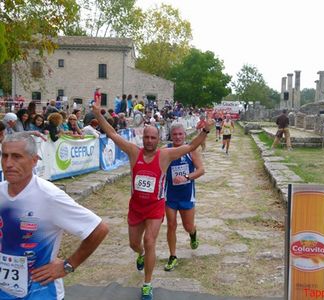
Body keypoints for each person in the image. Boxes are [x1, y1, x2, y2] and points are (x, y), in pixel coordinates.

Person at [92, 101, 212, 300]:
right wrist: (99, 115)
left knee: (150, 242)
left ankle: (147, 284)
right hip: (136, 208)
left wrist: (206, 131)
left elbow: (191, 145)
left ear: (158, 139)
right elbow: (113, 134)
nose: (149, 140)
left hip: (155, 208)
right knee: (134, 244)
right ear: (142, 137)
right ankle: (139, 254)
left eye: (153, 137)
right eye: (146, 137)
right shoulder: (133, 152)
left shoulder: (165, 155)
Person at [0, 132, 109, 299]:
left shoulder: (49, 196)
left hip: (41, 292)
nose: (8, 163)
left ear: (34, 160)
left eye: (16, 157)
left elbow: (99, 229)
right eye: (4, 156)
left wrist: (68, 266)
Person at [163, 123, 205, 272]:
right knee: (171, 225)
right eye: (175, 134)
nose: (178, 137)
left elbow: (201, 170)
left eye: (180, 134)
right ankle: (173, 256)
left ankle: (193, 234)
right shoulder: (166, 150)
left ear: (185, 135)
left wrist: (187, 176)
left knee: (188, 226)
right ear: (171, 136)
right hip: (170, 195)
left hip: (186, 195)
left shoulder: (191, 151)